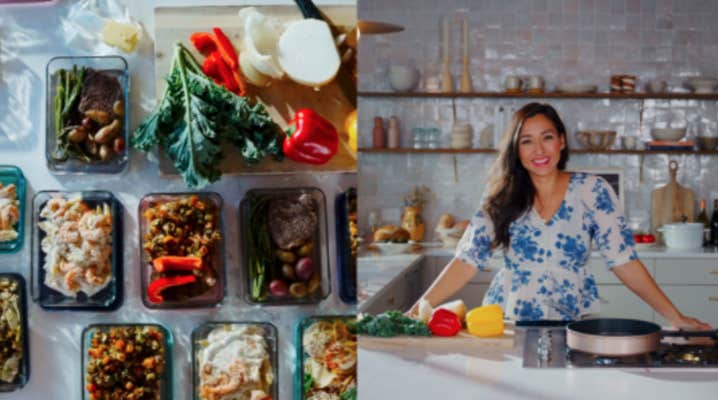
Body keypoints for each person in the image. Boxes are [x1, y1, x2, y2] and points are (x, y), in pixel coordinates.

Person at [409, 102, 710, 329]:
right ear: (516, 149)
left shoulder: (593, 191)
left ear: (561, 141)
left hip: (573, 322)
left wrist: (677, 318)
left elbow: (624, 261)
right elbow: (466, 260)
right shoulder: (501, 198)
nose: (538, 149)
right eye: (526, 140)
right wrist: (416, 311)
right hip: (509, 321)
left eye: (547, 137)